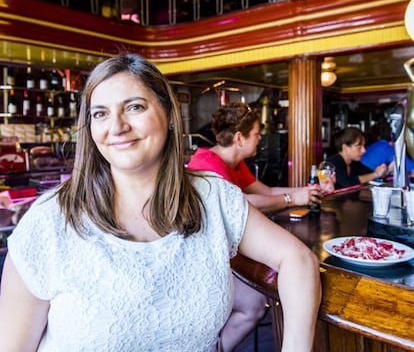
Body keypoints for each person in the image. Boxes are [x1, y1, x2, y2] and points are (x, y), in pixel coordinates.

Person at [0, 54, 321, 352]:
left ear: (168, 114)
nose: (117, 127)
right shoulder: (50, 222)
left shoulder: (212, 198)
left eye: (135, 107)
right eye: (100, 113)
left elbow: (299, 261)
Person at [187, 101, 322, 350]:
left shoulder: (235, 163)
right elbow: (240, 204)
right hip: (203, 261)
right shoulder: (207, 164)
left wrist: (306, 191)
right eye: (257, 134)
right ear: (239, 138)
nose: (260, 138)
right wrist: (292, 199)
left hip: (228, 254)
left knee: (262, 296)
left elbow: (267, 191)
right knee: (254, 304)